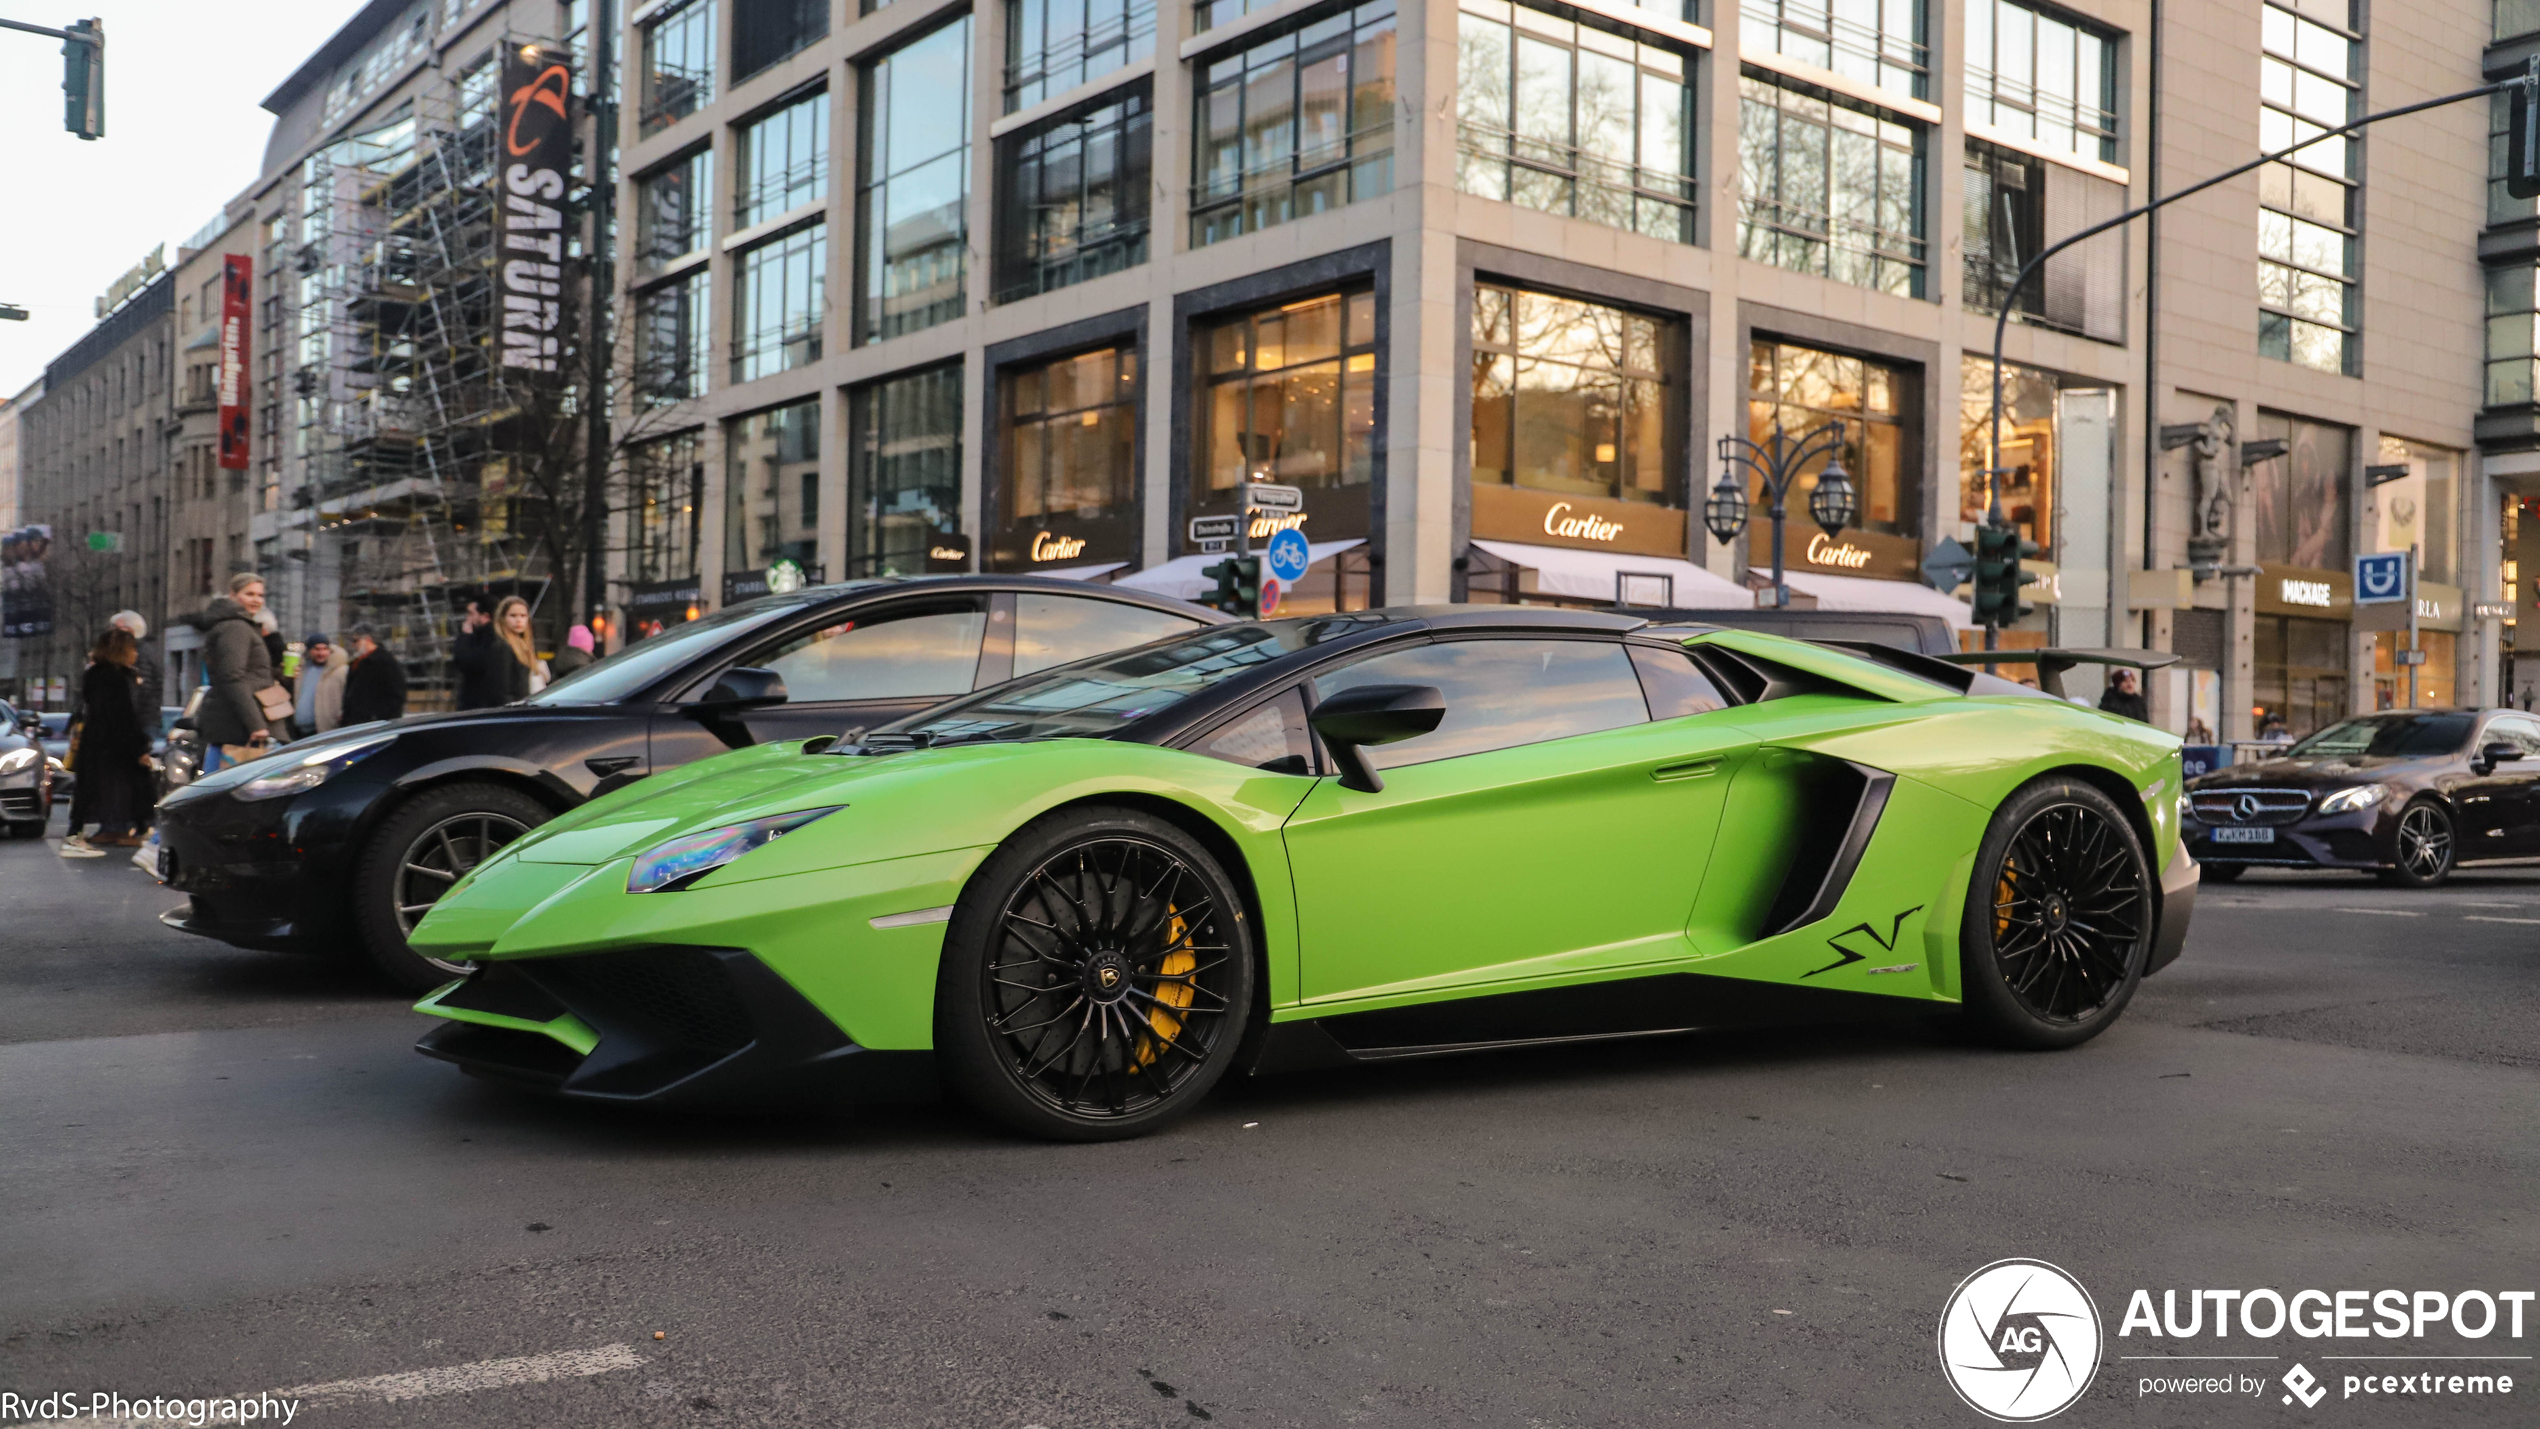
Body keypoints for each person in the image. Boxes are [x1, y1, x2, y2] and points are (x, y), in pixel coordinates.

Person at [59, 629, 152, 856]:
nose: (136, 654)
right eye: (132, 649)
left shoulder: (95, 675)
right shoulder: (116, 679)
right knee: (137, 781)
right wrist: (140, 746)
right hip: (112, 743)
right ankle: (141, 831)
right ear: (121, 651)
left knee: (90, 788)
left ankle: (77, 833)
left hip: (98, 742)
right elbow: (124, 715)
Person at [197, 572, 283, 772]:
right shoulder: (236, 627)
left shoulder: (237, 625)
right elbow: (232, 676)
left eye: (260, 595)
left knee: (217, 787)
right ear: (233, 595)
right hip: (240, 727)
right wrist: (256, 723)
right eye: (249, 594)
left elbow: (244, 674)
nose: (256, 600)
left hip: (235, 725)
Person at [453, 595, 547, 706]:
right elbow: (502, 690)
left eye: (523, 616)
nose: (518, 620)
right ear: (503, 618)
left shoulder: (523, 645)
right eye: (513, 615)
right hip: (511, 713)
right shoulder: (502, 646)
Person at [340, 625, 408, 725]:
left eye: (355, 641)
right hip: (356, 723)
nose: (353, 645)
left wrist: (377, 717)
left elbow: (397, 694)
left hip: (373, 725)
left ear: (367, 639)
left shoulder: (384, 661)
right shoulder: (357, 662)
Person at [294, 633, 348, 735]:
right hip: (300, 732)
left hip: (327, 731)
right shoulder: (302, 670)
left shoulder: (340, 671)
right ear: (309, 651)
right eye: (317, 649)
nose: (321, 653)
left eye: (324, 649)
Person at [450, 599, 497, 709]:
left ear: (485, 616)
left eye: (471, 613)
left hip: (479, 704)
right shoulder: (483, 636)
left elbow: (465, 661)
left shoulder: (487, 637)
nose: (467, 618)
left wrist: (465, 636)